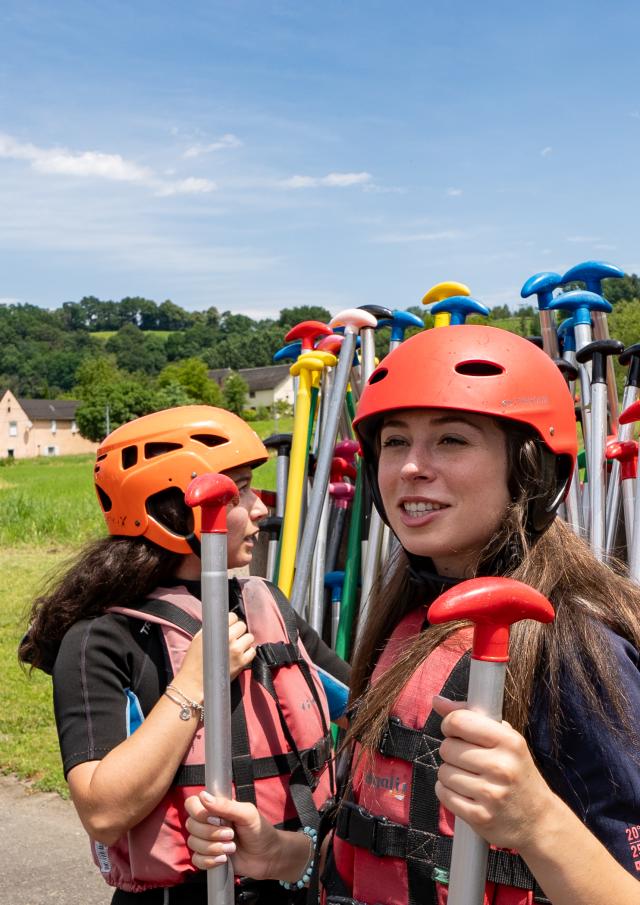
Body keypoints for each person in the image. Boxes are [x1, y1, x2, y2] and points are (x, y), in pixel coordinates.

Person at [182, 326, 640, 904]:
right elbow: (404, 850)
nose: (410, 468)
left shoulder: (576, 646)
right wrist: (281, 855)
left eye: (451, 440)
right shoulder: (408, 620)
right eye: (395, 442)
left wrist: (537, 822)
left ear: (529, 466)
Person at [20, 405, 350, 905]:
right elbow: (103, 812)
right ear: (174, 507)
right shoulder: (100, 640)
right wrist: (195, 683)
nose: (261, 507)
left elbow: (366, 706)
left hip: (292, 877)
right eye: (239, 489)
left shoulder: (266, 605)